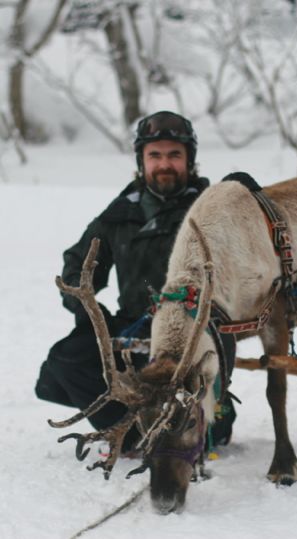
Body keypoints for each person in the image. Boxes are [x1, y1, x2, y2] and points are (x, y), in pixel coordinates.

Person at [35, 110, 235, 452]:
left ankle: (200, 422)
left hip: (195, 328)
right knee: (65, 362)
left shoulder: (210, 210)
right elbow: (77, 264)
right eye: (154, 156)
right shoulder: (120, 213)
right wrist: (88, 309)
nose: (164, 164)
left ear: (190, 160)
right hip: (134, 326)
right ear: (142, 161)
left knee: (187, 383)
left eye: (174, 155)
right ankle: (132, 435)